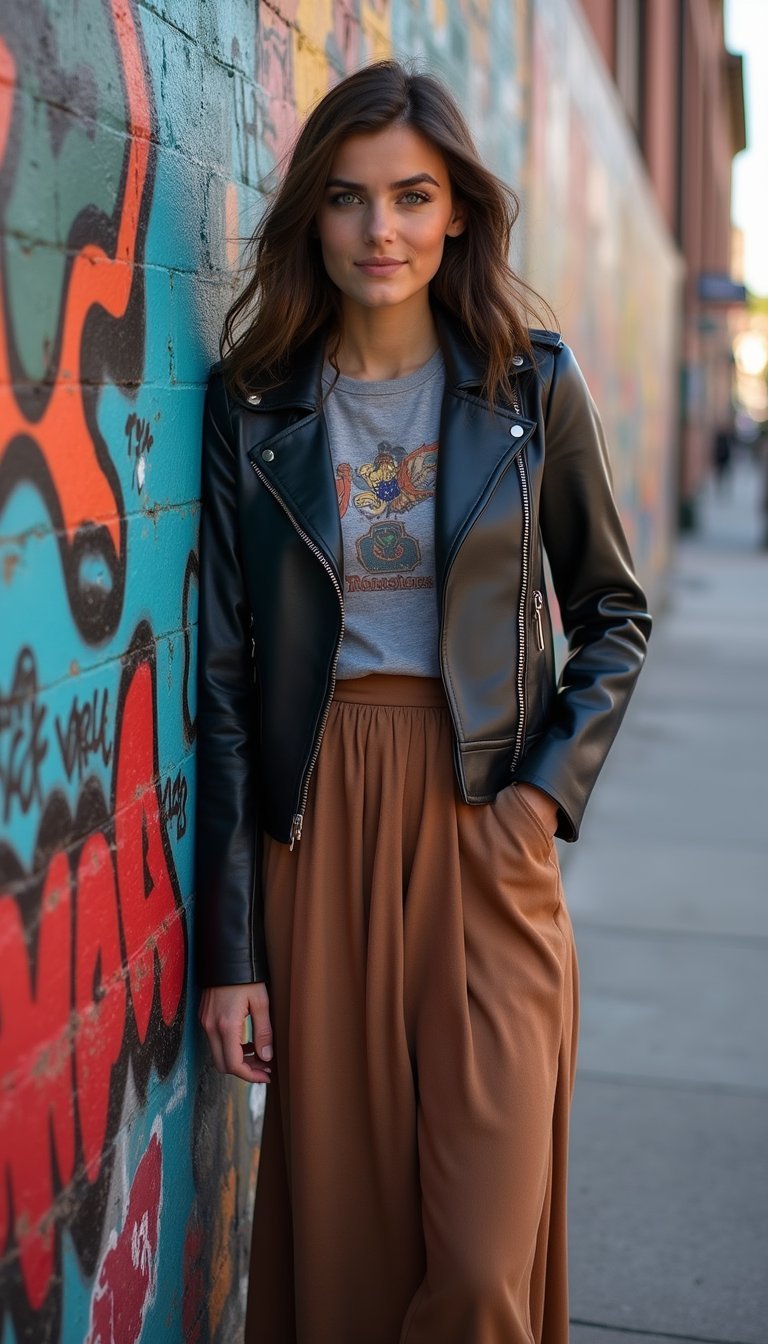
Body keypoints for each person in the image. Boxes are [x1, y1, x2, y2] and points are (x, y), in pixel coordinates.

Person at [196, 59, 651, 1344]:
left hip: (482, 817)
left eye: (412, 196)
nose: (379, 230)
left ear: (456, 213)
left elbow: (614, 613)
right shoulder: (256, 407)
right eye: (347, 200)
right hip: (322, 826)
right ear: (313, 217)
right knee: (345, 1245)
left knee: (479, 1264)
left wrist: (534, 811)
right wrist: (234, 957)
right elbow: (228, 683)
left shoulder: (531, 388)